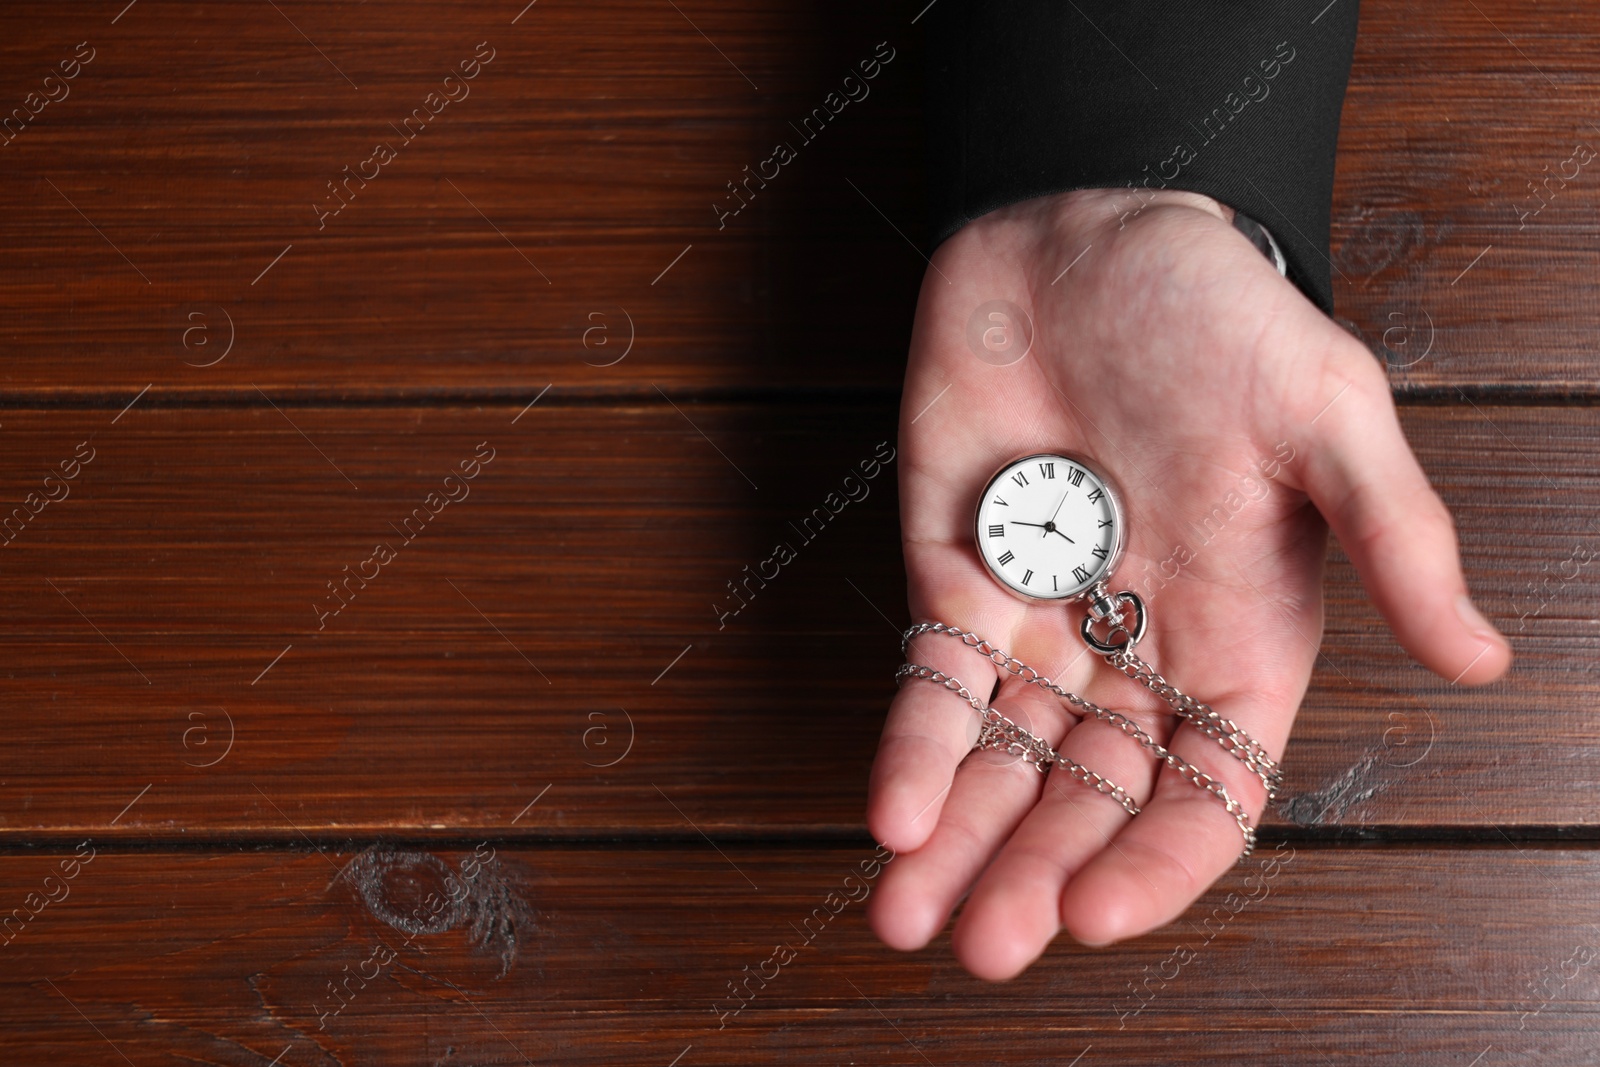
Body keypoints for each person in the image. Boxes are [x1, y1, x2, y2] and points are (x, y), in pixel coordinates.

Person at [864, 0, 1513, 981]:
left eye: (1047, 522)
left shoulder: (1075, 551)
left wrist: (1108, 197)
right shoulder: (1067, 556)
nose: (1043, 524)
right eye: (1043, 525)